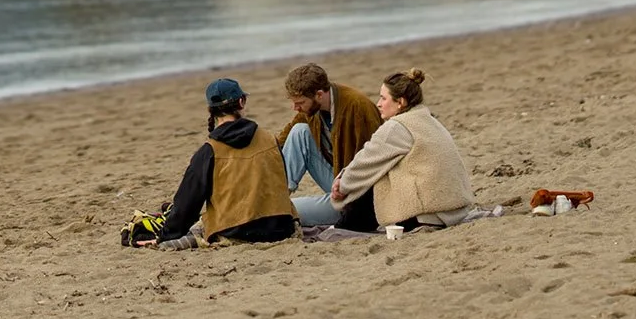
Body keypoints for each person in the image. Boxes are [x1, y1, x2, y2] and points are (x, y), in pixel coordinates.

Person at [143, 78, 297, 248]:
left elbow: (187, 205)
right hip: (282, 228)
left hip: (236, 232)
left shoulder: (209, 151)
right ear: (241, 102)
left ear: (210, 110)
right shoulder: (270, 139)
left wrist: (165, 236)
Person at [328, 68, 475, 234]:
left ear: (401, 102)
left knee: (378, 174)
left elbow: (365, 161)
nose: (378, 103)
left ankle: (347, 225)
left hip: (427, 216)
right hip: (454, 210)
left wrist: (342, 184)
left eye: (384, 98)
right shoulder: (428, 119)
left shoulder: (397, 126)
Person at [275, 63, 385, 227]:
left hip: (358, 195)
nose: (295, 108)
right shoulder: (313, 108)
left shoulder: (357, 107)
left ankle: (278, 210)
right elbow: (286, 135)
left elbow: (373, 161)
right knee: (300, 131)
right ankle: (276, 199)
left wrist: (343, 188)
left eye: (300, 102)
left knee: (290, 211)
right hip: (338, 180)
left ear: (319, 94)